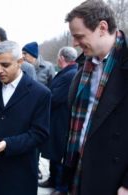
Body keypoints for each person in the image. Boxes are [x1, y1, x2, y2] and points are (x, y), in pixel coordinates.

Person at [62, 1, 128, 194]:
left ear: (102, 27)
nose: (74, 43)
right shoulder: (85, 64)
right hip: (80, 167)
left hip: (114, 178)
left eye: (79, 36)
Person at [0, 40, 51, 195]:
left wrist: (7, 144)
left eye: (5, 65)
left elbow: (39, 133)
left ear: (20, 62)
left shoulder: (40, 93)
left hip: (19, 173)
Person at [39, 46, 78, 195]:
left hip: (62, 119)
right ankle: (53, 179)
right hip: (56, 118)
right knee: (53, 151)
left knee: (59, 153)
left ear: (61, 58)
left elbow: (56, 97)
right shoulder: (67, 72)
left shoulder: (70, 74)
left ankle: (61, 187)